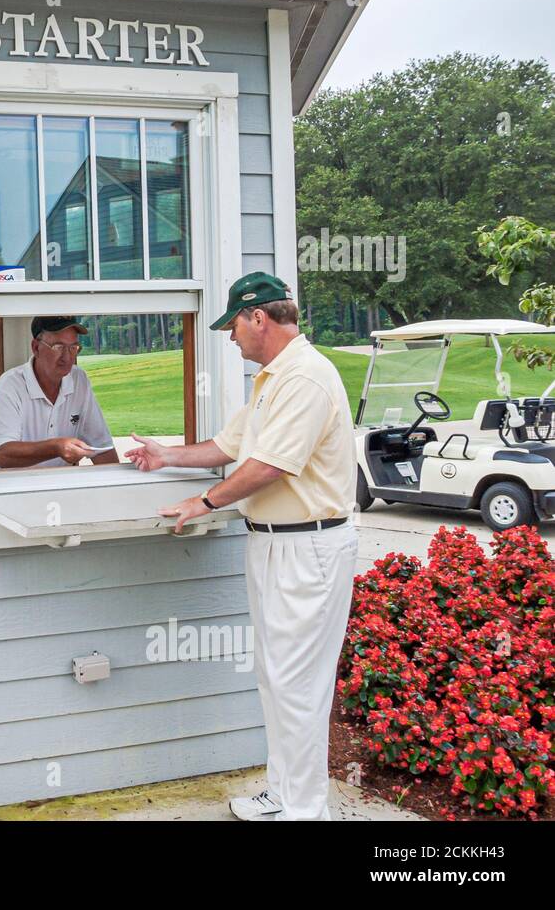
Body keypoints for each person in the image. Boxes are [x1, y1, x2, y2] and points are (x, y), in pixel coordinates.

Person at [124, 271, 358, 821]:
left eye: (233, 325)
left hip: (310, 549)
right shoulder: (273, 379)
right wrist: (166, 456)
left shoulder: (305, 379)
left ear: (260, 318)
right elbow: (229, 446)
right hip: (276, 546)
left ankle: (305, 811)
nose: (230, 338)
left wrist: (203, 504)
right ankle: (282, 794)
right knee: (276, 677)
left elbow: (270, 467)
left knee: (297, 684)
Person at [0, 316, 120, 469]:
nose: (67, 357)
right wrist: (56, 447)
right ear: (36, 347)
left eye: (73, 348)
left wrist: (121, 487)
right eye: (58, 347)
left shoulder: (79, 380)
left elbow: (101, 448)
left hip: (62, 485)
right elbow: (3, 454)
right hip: (15, 486)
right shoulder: (11, 384)